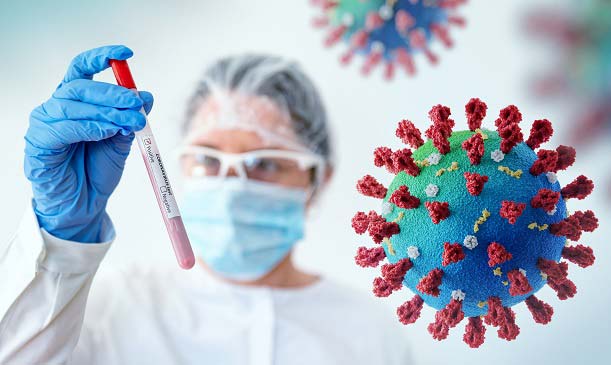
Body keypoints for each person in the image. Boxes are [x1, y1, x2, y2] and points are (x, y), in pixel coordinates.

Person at [0, 45, 412, 364]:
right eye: (208, 159)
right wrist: (62, 242)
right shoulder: (109, 311)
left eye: (265, 162)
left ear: (317, 179)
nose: (230, 186)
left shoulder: (369, 332)